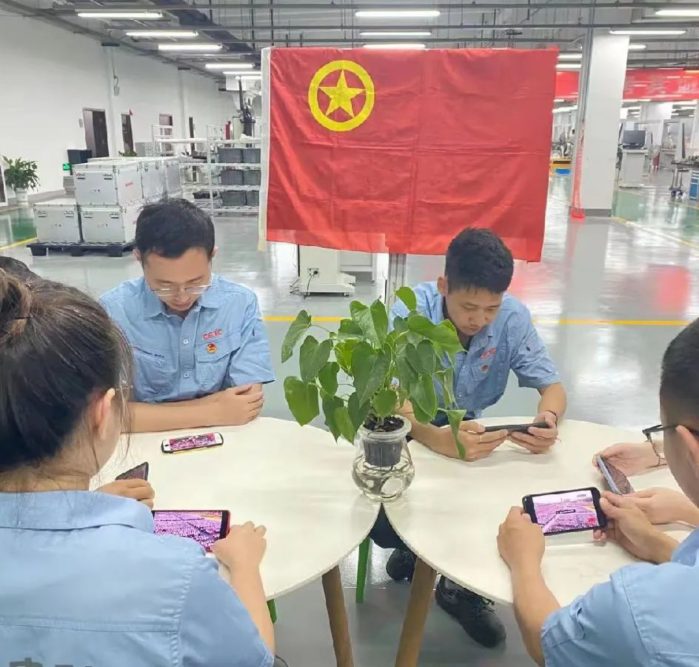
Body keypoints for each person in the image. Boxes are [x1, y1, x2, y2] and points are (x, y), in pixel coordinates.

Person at [0, 270, 276, 666]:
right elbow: (254, 659)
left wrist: (79, 506)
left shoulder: (238, 302)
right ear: (102, 413)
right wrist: (245, 565)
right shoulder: (174, 578)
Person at [373, 227, 567, 648]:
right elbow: (387, 396)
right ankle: (415, 548)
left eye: (491, 308)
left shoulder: (512, 318)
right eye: (469, 307)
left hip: (470, 431)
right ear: (444, 286)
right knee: (386, 526)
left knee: (494, 498)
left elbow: (552, 387)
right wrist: (433, 436)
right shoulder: (410, 312)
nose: (480, 319)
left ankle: (459, 591)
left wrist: (548, 418)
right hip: (405, 429)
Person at [498, 319, 699, 666]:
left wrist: (522, 562)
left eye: (659, 432)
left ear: (689, 447)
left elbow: (547, 640)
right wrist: (656, 540)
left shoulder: (642, 610)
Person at [100, 199, 274, 433]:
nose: (182, 297)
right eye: (164, 285)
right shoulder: (114, 312)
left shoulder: (239, 304)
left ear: (212, 256)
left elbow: (246, 404)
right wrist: (213, 411)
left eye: (195, 283)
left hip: (220, 437)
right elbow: (108, 415)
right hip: (146, 441)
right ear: (139, 259)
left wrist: (146, 413)